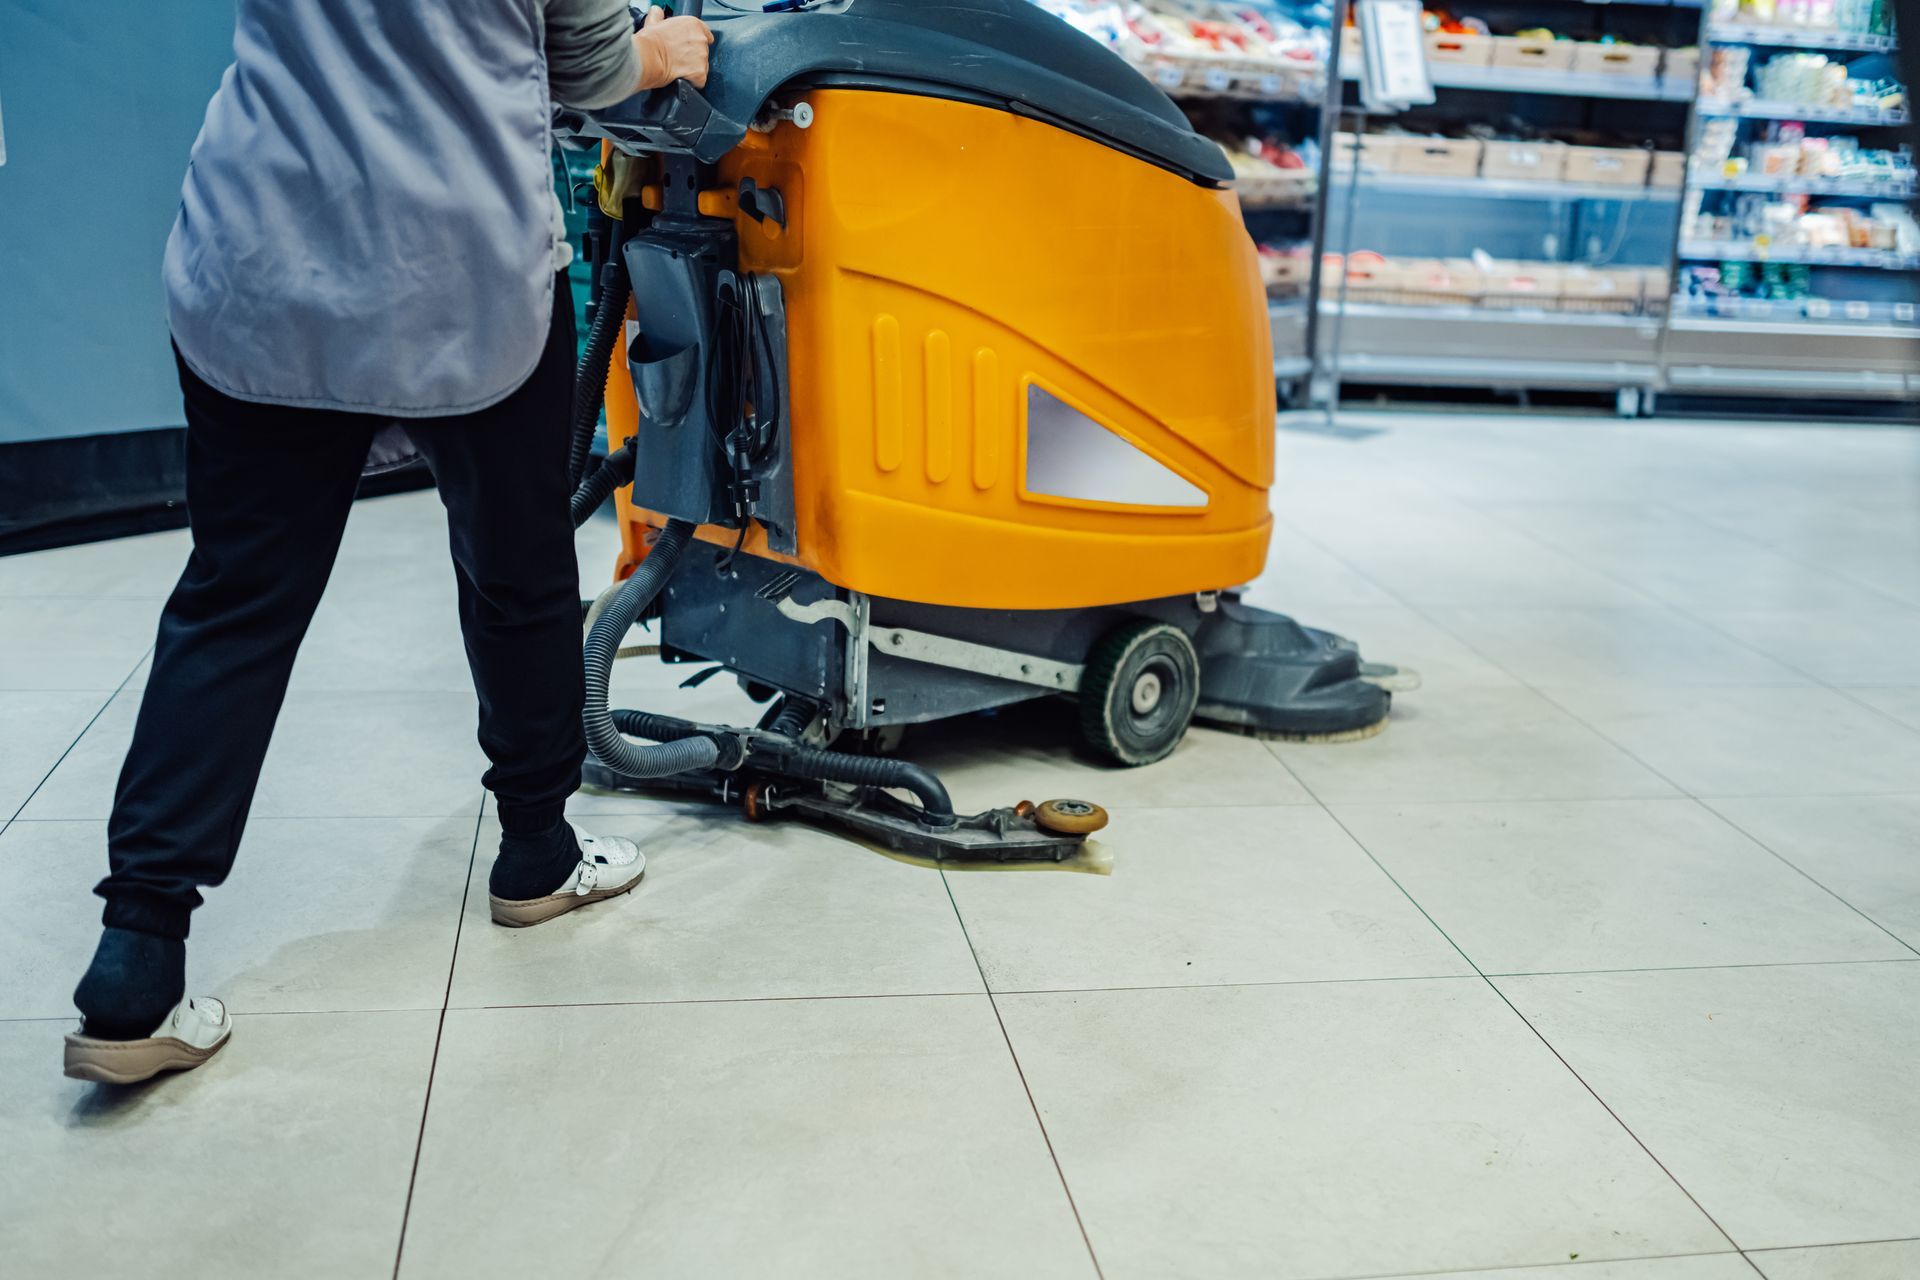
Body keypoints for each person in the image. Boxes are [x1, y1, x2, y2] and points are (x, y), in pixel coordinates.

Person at [62, 0, 712, 1086]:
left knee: (238, 597)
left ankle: (136, 953)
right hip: (460, 270)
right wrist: (666, 50)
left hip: (265, 253)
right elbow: (593, 64)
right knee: (518, 574)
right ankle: (539, 853)